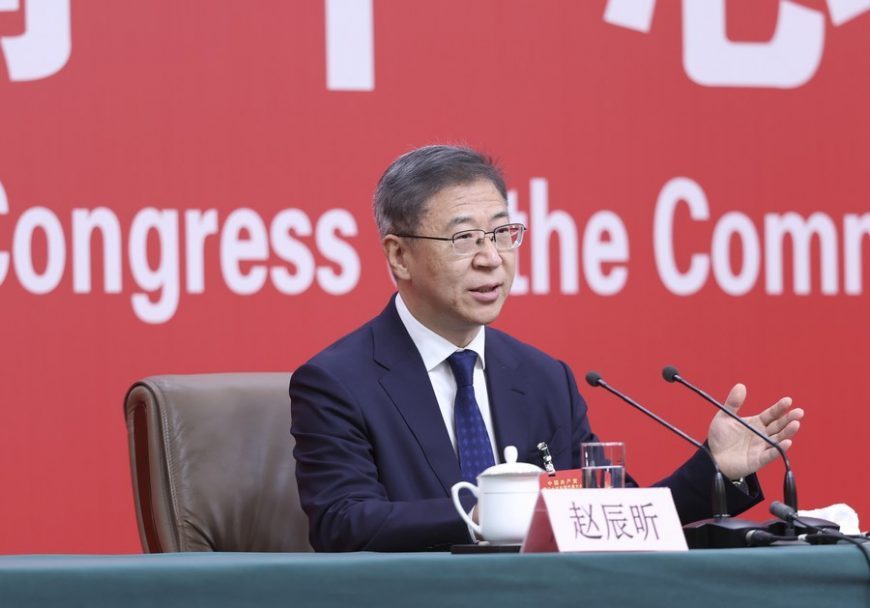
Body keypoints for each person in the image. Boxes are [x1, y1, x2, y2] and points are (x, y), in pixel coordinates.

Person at [289, 144, 803, 552]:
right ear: (398, 255)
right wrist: (488, 512)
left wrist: (713, 467)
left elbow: (610, 511)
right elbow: (343, 522)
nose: (492, 259)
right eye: (465, 239)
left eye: (503, 234)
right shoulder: (338, 381)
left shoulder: (541, 378)